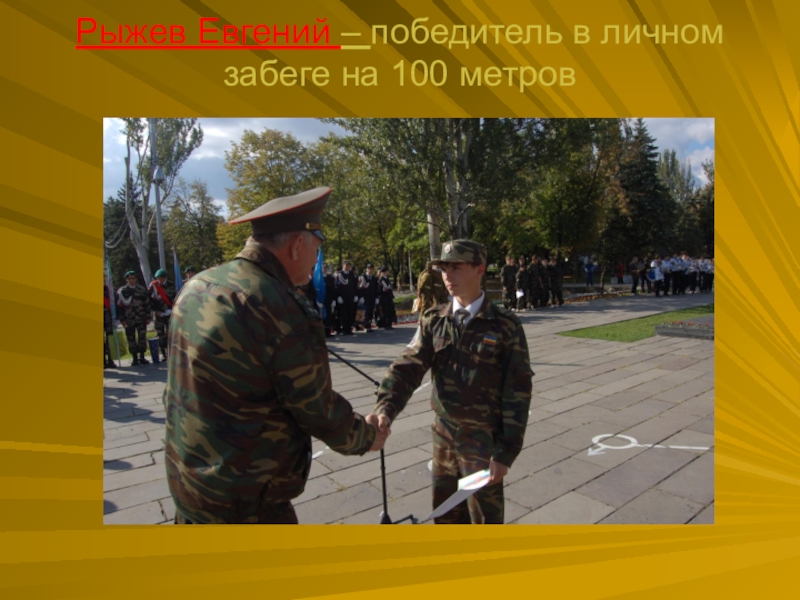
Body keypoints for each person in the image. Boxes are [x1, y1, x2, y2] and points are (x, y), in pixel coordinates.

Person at [163, 187, 387, 525]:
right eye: (316, 249)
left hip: (189, 489)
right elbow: (317, 409)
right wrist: (367, 436)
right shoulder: (279, 305)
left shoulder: (198, 286)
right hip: (245, 503)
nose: (314, 262)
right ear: (297, 245)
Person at [369, 240, 533, 524]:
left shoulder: (505, 325)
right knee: (445, 516)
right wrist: (385, 409)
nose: (447, 275)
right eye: (444, 268)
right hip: (444, 438)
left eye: (456, 267)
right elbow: (408, 367)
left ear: (479, 269)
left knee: (485, 522)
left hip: (483, 443)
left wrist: (506, 452)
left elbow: (518, 390)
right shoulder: (435, 319)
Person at [116, 270, 151, 366]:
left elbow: (147, 304)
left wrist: (148, 317)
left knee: (142, 337)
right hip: (129, 319)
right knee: (131, 338)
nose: (131, 280)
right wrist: (122, 320)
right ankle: (134, 358)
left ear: (136, 279)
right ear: (126, 280)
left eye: (133, 278)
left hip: (141, 318)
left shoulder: (142, 290)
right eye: (129, 279)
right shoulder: (122, 291)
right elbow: (119, 307)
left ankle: (142, 357)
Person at [148, 268, 175, 361]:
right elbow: (149, 300)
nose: (161, 280)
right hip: (159, 314)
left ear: (165, 277)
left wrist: (172, 309)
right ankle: (163, 354)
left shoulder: (171, 284)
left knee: (170, 333)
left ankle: (171, 353)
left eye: (162, 278)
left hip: (170, 313)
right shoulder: (153, 286)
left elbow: (175, 297)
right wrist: (156, 311)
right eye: (159, 278)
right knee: (160, 333)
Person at [336, 260, 358, 335]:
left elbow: (355, 285)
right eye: (346, 265)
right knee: (343, 314)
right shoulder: (339, 275)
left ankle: (349, 328)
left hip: (351, 297)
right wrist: (338, 296)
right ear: (343, 266)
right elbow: (337, 286)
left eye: (348, 265)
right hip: (343, 297)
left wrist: (356, 295)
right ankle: (344, 329)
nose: (347, 267)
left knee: (350, 313)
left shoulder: (352, 274)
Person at [358, 263, 379, 332]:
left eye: (371, 269)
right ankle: (365, 326)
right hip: (365, 298)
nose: (370, 270)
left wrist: (376, 297)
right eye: (369, 268)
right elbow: (360, 288)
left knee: (370, 312)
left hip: (372, 298)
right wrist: (361, 297)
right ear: (366, 269)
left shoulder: (374, 278)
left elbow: (376, 289)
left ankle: (369, 325)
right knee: (365, 312)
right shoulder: (363, 277)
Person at [103, 281, 116, 369]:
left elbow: (112, 301)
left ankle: (110, 360)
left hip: (107, 317)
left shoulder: (106, 288)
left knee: (109, 339)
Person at [322, 263, 336, 337]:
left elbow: (333, 289)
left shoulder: (330, 278)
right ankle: (322, 332)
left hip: (329, 299)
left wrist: (333, 300)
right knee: (322, 316)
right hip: (321, 299)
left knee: (329, 316)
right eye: (323, 268)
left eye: (326, 268)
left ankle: (328, 331)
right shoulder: (318, 277)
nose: (324, 269)